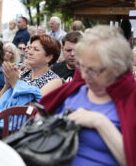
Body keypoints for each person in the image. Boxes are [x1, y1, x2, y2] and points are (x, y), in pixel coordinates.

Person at [40, 25, 135, 166]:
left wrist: (100, 123)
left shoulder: (130, 100)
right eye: (81, 67)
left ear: (116, 69)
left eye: (92, 71)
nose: (84, 75)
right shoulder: (74, 91)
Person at [0, 35, 62, 127]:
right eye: (29, 48)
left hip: (24, 130)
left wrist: (15, 83)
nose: (29, 52)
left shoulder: (54, 80)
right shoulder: (23, 74)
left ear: (48, 57)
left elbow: (32, 109)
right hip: (2, 124)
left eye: (36, 50)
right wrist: (7, 85)